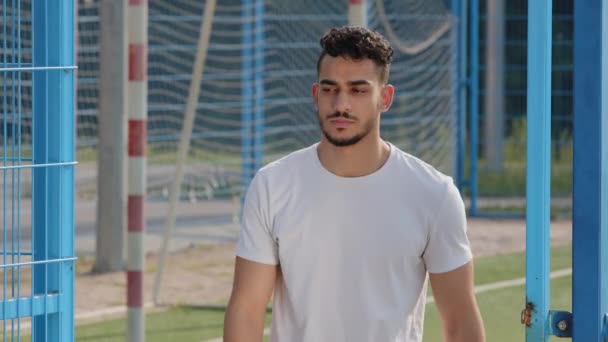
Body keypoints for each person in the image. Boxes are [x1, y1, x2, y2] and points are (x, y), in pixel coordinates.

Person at [224, 26, 485, 342]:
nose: (341, 104)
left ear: (384, 98)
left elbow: (459, 320)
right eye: (330, 88)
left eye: (358, 90)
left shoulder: (434, 194)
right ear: (315, 94)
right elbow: (247, 310)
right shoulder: (272, 185)